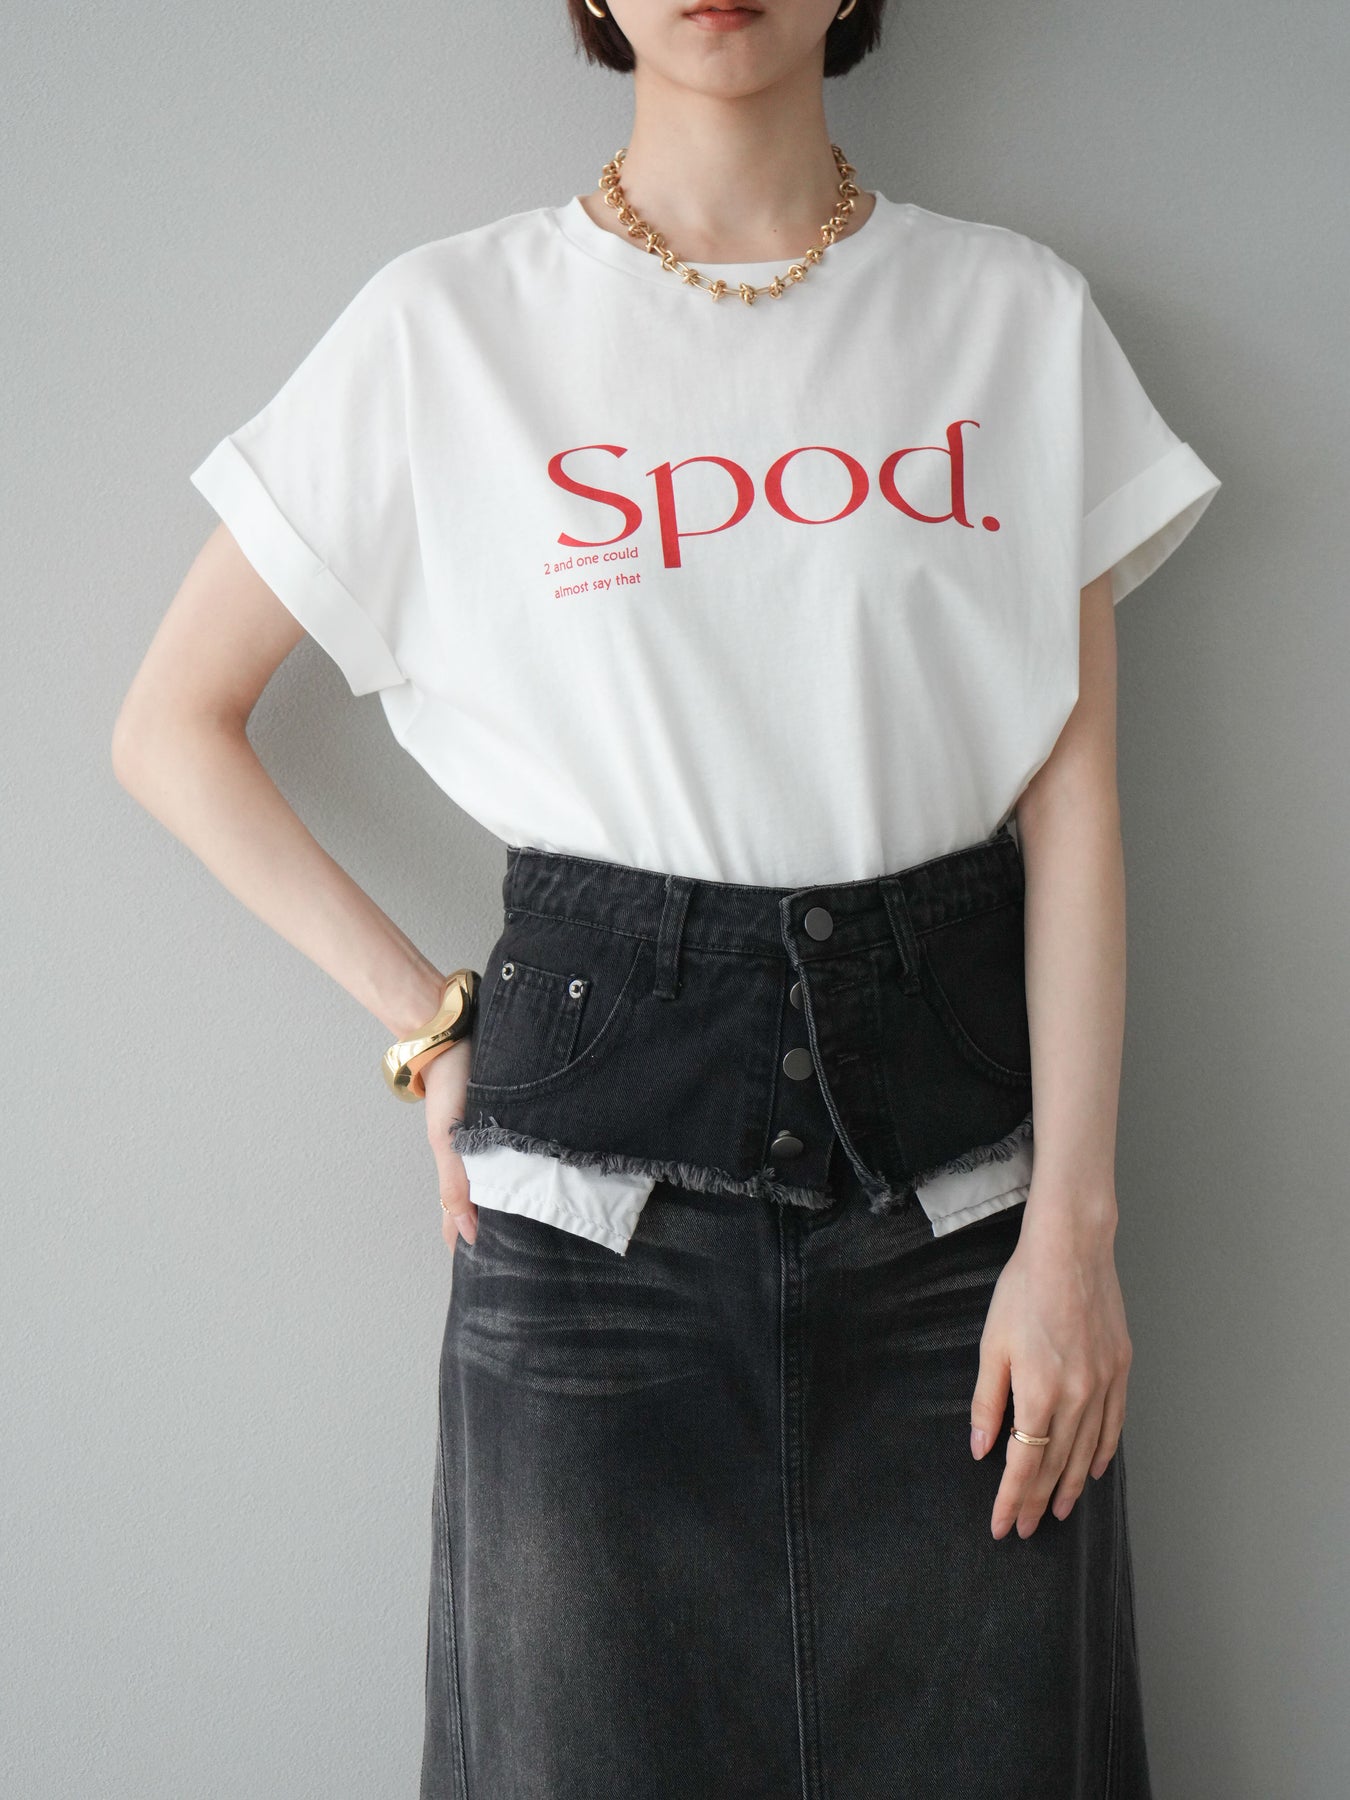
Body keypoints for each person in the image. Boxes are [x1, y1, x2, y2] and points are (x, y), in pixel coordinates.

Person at [112, 0, 1221, 1793]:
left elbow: (1072, 798)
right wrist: (424, 1023)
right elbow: (170, 726)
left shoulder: (1011, 315)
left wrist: (1074, 1239)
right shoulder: (445, 328)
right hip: (587, 1218)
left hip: (962, 1219)